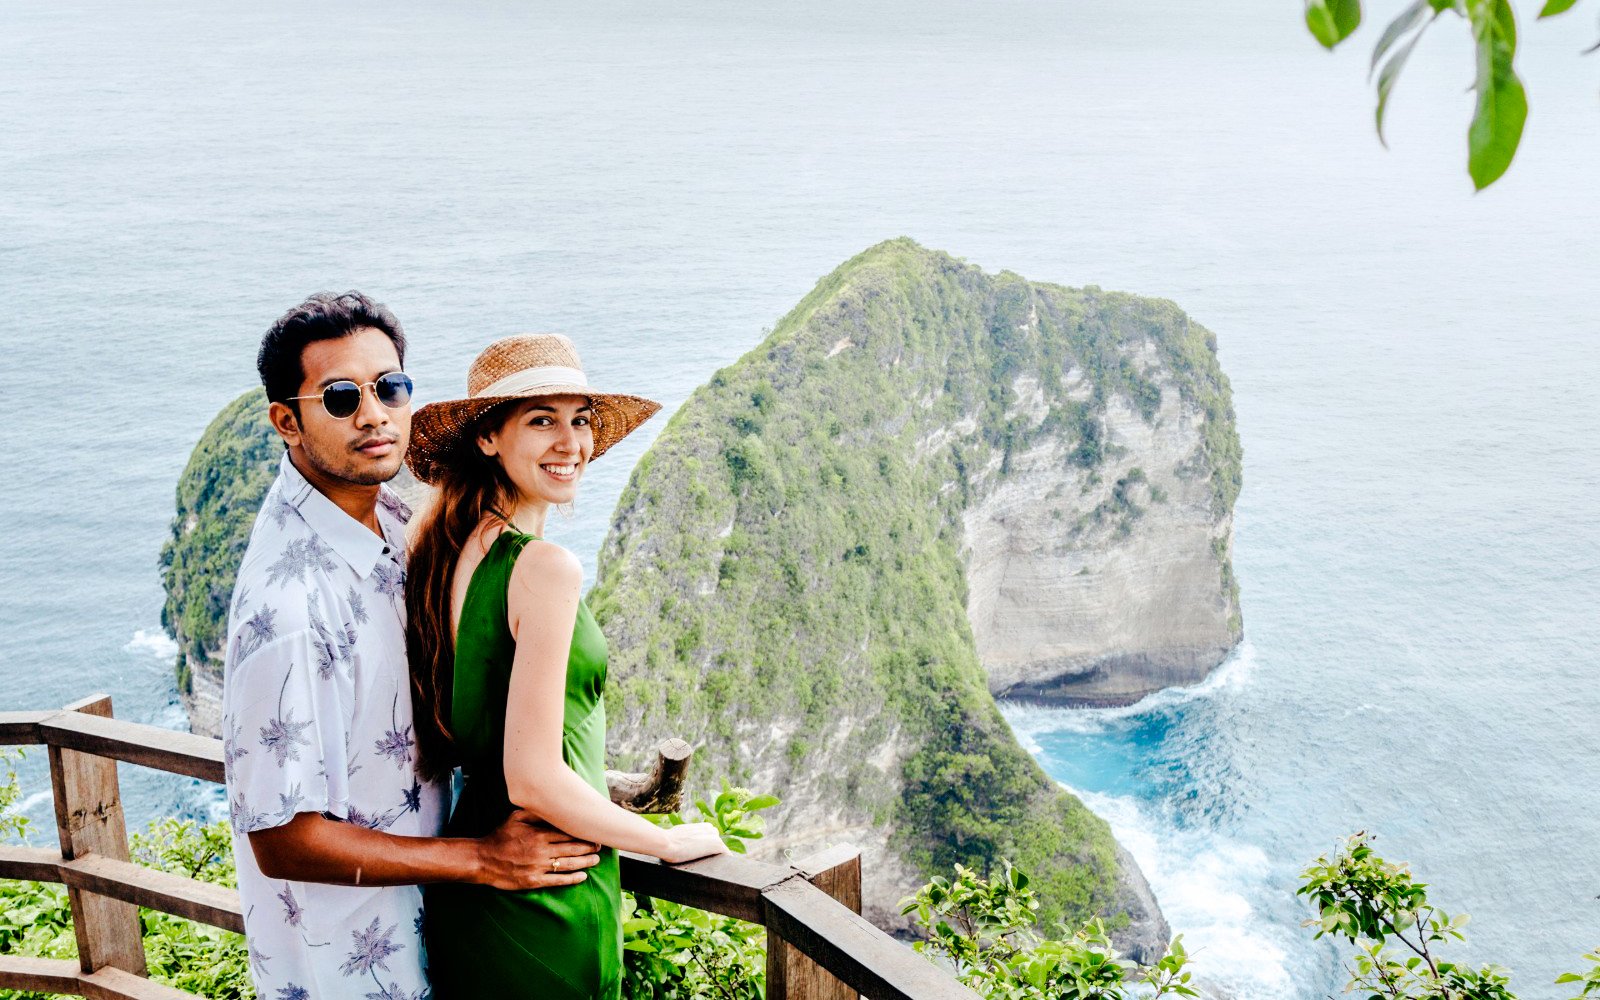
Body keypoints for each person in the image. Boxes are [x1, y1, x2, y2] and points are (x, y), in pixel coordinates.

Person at [221, 293, 601, 1000]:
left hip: (440, 934)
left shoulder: (397, 522)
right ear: (287, 421)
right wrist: (481, 859)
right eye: (340, 397)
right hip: (349, 968)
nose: (373, 414)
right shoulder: (290, 609)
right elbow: (280, 839)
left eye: (390, 387)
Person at [404, 334, 727, 999]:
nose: (570, 441)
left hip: (482, 881)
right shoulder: (544, 567)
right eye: (541, 420)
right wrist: (660, 842)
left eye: (579, 419)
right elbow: (535, 778)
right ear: (489, 438)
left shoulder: (449, 548)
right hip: (548, 888)